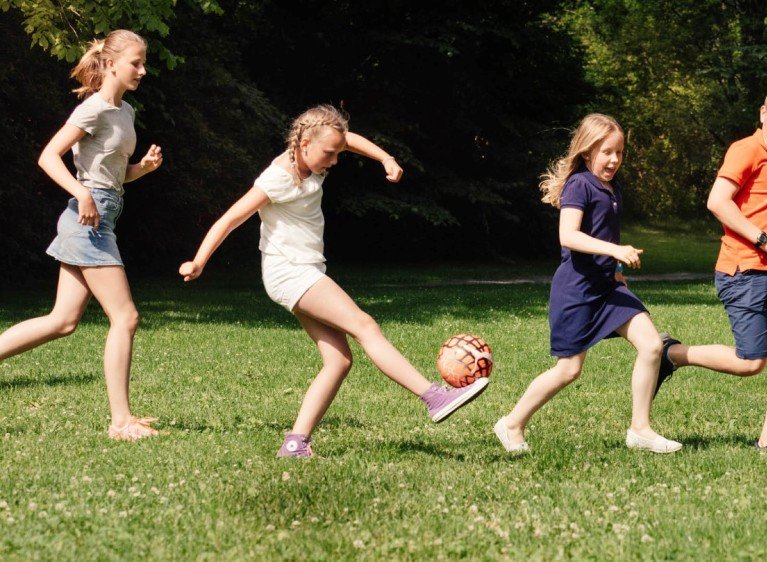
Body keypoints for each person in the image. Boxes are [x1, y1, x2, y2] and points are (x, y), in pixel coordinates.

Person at [178, 105, 489, 458]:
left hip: (304, 269)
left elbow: (345, 139)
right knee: (365, 325)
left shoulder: (315, 153)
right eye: (329, 153)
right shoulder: (278, 177)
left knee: (338, 360)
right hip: (290, 270)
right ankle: (433, 397)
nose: (335, 160)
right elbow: (232, 217)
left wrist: (384, 158)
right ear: (304, 142)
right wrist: (199, 260)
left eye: (336, 153)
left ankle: (295, 443)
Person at [0, 30, 164, 441]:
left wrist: (141, 168)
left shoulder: (124, 112)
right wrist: (80, 192)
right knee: (125, 316)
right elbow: (48, 157)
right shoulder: (91, 110)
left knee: (63, 320)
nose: (143, 71)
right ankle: (121, 421)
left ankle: (122, 419)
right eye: (136, 63)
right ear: (111, 64)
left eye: (144, 64)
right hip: (86, 220)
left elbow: (113, 176)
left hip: (102, 214)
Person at [493, 113, 682, 454]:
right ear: (586, 151)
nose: (614, 160)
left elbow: (603, 231)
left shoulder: (612, 188)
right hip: (576, 292)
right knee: (568, 370)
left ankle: (640, 429)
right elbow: (568, 235)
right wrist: (616, 250)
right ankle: (511, 423)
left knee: (652, 346)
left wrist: (615, 269)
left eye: (619, 153)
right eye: (606, 152)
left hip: (608, 287)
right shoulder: (579, 184)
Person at [656, 76, 767, 451]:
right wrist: (762, 238)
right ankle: (672, 354)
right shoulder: (745, 150)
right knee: (750, 362)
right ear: (763, 113)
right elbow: (717, 202)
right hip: (743, 272)